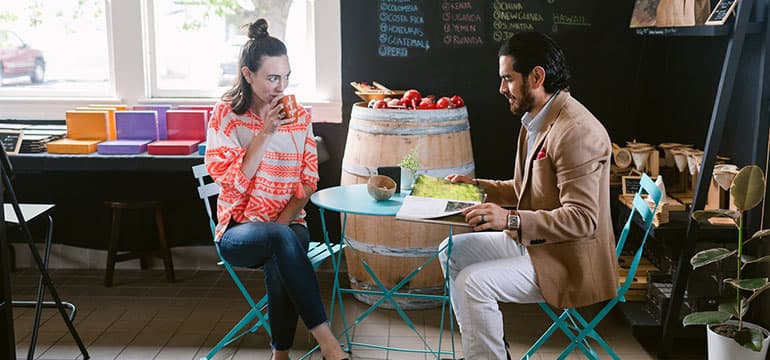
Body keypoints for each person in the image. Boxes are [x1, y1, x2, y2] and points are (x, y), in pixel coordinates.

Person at [439, 32, 616, 359]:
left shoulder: (576, 131)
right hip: (538, 242)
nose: (501, 88)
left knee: (471, 283)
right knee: (451, 251)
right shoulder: (538, 118)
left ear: (536, 77)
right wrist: (476, 187)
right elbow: (525, 189)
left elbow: (583, 219)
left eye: (508, 78)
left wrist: (509, 219)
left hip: (568, 259)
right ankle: (489, 353)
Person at [204, 19, 348, 360]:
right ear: (248, 74)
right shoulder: (225, 115)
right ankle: (328, 343)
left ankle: (279, 356)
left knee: (281, 246)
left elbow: (308, 182)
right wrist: (265, 133)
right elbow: (233, 184)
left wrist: (279, 227)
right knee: (279, 244)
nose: (280, 87)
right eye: (271, 78)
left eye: (285, 77)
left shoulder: (299, 116)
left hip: (288, 226)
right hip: (237, 231)